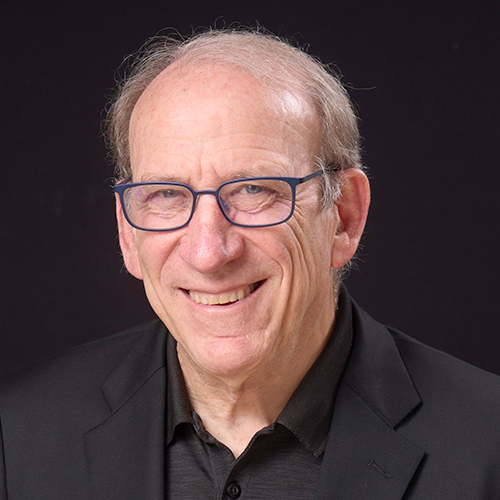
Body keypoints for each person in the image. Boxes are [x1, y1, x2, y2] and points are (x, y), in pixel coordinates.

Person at [1, 27, 499, 500]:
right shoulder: (16, 434)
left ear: (344, 216)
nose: (208, 253)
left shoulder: (487, 448)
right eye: (166, 195)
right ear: (128, 232)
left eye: (254, 190)